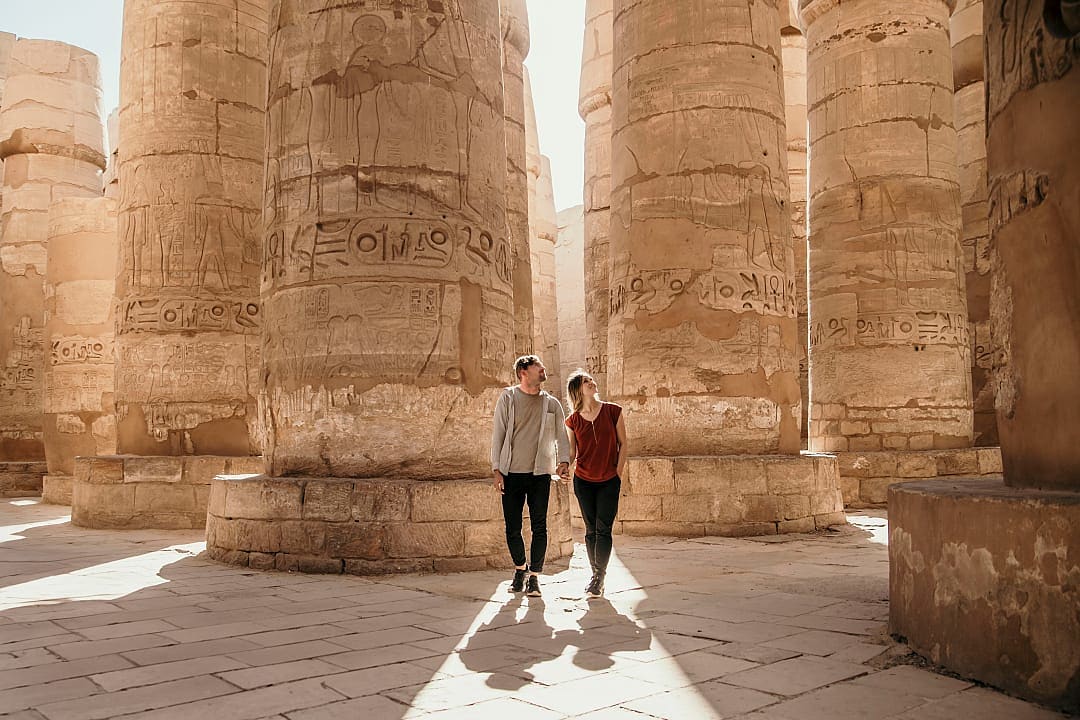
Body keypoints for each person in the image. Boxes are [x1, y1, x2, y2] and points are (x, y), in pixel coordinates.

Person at [491, 355, 570, 598]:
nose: (544, 369)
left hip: (540, 475)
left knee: (540, 527)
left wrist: (564, 461)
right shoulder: (508, 398)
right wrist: (496, 470)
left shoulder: (551, 403)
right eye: (539, 367)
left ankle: (534, 577)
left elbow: (561, 435)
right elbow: (499, 434)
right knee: (513, 528)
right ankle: (519, 569)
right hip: (511, 473)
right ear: (524, 371)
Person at [564, 369, 627, 598]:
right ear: (578, 390)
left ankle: (598, 577)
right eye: (586, 381)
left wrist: (617, 473)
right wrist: (564, 466)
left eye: (591, 379)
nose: (592, 382)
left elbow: (624, 444)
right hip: (584, 481)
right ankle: (596, 577)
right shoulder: (572, 420)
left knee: (604, 529)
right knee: (590, 531)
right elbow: (572, 451)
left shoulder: (613, 411)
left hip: (609, 480)